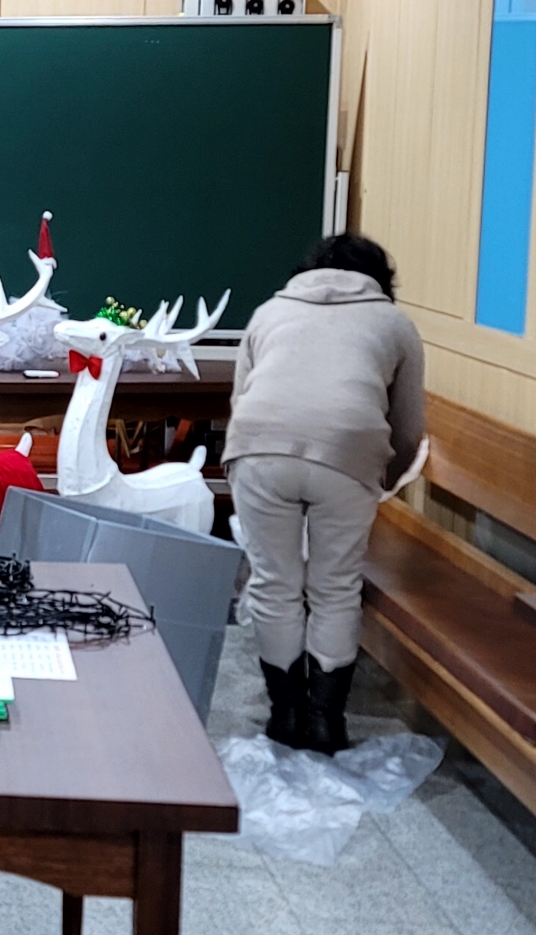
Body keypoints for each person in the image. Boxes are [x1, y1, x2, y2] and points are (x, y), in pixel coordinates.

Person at [226, 233, 426, 753]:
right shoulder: (395, 324)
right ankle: (325, 723)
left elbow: (241, 399)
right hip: (348, 453)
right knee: (335, 588)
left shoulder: (269, 312)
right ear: (380, 279)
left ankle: (285, 717)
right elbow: (408, 429)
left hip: (259, 447)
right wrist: (382, 479)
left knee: (274, 583)